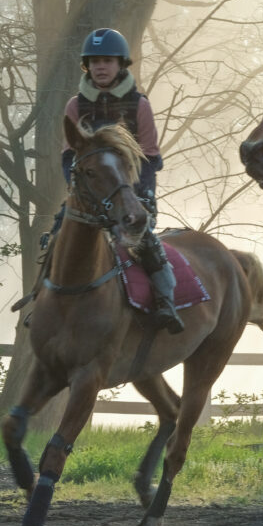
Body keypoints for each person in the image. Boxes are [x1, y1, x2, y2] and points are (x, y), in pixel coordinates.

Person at [58, 26, 182, 333]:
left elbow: (150, 157)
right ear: (87, 65)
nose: (101, 66)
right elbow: (67, 157)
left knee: (148, 244)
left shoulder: (139, 105)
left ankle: (166, 302)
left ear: (120, 64)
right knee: (55, 239)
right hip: (88, 193)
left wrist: (144, 198)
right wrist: (76, 190)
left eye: (108, 60)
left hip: (129, 191)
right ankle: (40, 300)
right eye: (95, 60)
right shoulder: (75, 106)